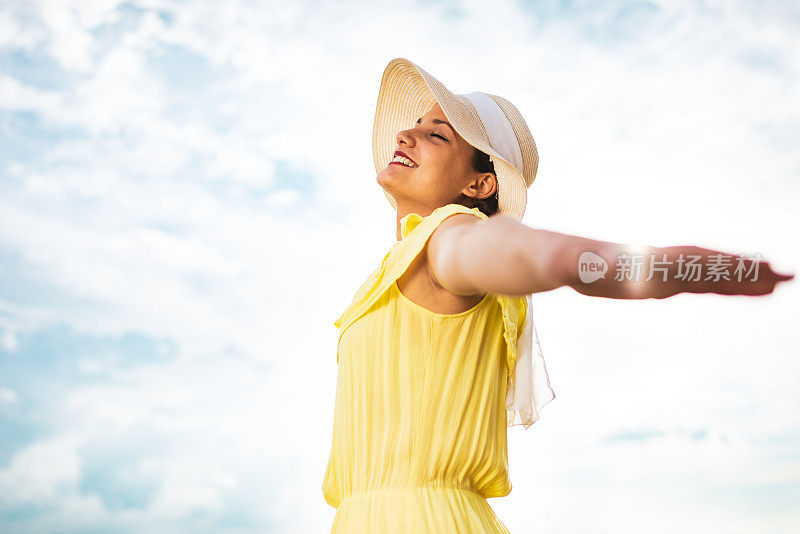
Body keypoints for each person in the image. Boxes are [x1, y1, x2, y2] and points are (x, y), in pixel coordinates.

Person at [322, 58, 793, 533]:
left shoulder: (451, 237)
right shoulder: (397, 264)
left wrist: (683, 267)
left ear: (479, 185)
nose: (405, 135)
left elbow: (547, 257)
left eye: (437, 134)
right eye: (414, 125)